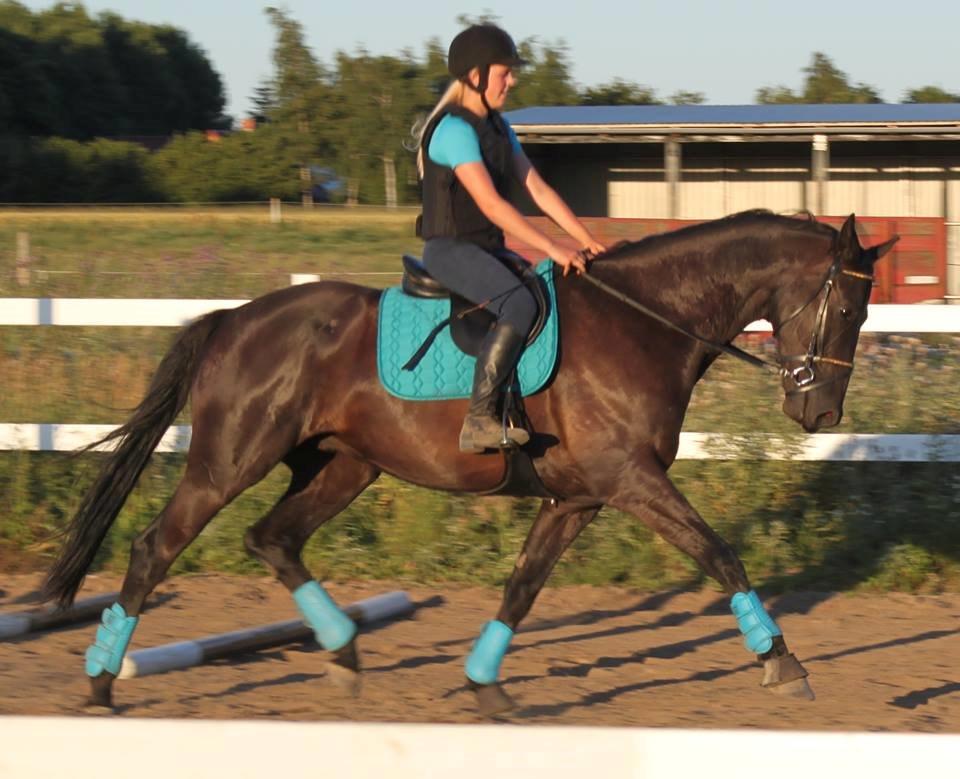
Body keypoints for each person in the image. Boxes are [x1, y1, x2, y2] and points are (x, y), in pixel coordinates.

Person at [415, 23, 607, 453]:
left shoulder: (501, 129)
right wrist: (554, 248)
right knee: (518, 302)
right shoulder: (454, 131)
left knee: (546, 291)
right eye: (506, 72)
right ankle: (479, 419)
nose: (513, 81)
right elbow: (492, 205)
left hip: (485, 248)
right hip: (450, 250)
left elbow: (538, 189)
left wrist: (586, 240)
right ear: (475, 75)